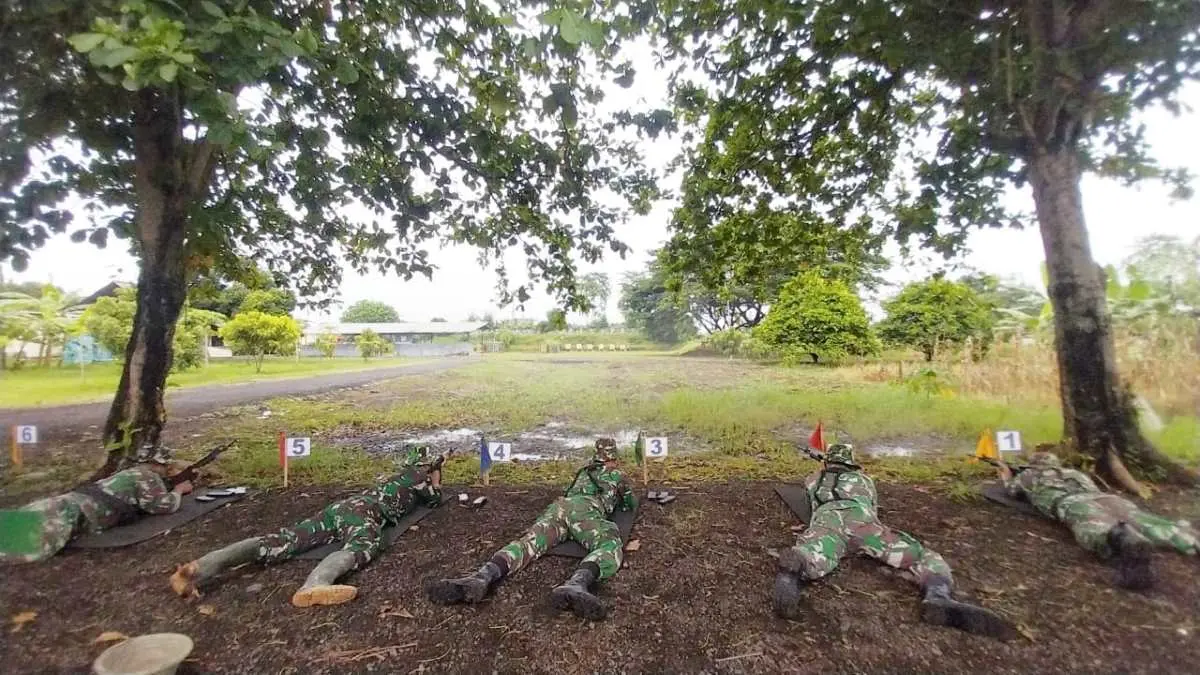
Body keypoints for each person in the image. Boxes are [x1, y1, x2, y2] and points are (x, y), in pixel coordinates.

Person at [774, 444, 1015, 639]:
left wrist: (823, 469)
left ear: (827, 463)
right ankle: (938, 595)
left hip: (828, 518)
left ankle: (797, 567)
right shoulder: (865, 481)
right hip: (863, 522)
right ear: (851, 463)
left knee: (815, 550)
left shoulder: (813, 479)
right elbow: (872, 506)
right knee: (922, 557)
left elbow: (812, 491)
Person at [170, 451, 443, 608]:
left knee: (282, 540)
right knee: (363, 546)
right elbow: (434, 499)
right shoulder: (420, 479)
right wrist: (436, 480)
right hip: (365, 513)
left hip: (341, 508)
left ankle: (199, 568)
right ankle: (316, 584)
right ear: (426, 467)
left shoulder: (398, 476)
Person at [426, 437, 636, 620]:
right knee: (609, 544)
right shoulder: (617, 474)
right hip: (586, 511)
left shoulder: (583, 471)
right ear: (614, 457)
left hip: (559, 507)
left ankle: (483, 575)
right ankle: (577, 583)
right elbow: (629, 504)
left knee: (528, 544)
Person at [996, 451, 1198, 590]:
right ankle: (1187, 537)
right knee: (1144, 520)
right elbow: (1091, 488)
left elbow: (1012, 491)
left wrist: (1006, 476)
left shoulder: (1028, 475)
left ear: (1033, 464)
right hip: (1106, 498)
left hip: (1071, 502)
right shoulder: (1075, 473)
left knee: (1093, 528)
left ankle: (1122, 539)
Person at [0, 445, 193, 564]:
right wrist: (179, 490)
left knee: (17, 523)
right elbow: (164, 506)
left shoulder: (129, 472)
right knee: (24, 545)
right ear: (158, 464)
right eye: (166, 466)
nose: (168, 469)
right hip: (76, 513)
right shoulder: (148, 476)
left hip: (70, 501)